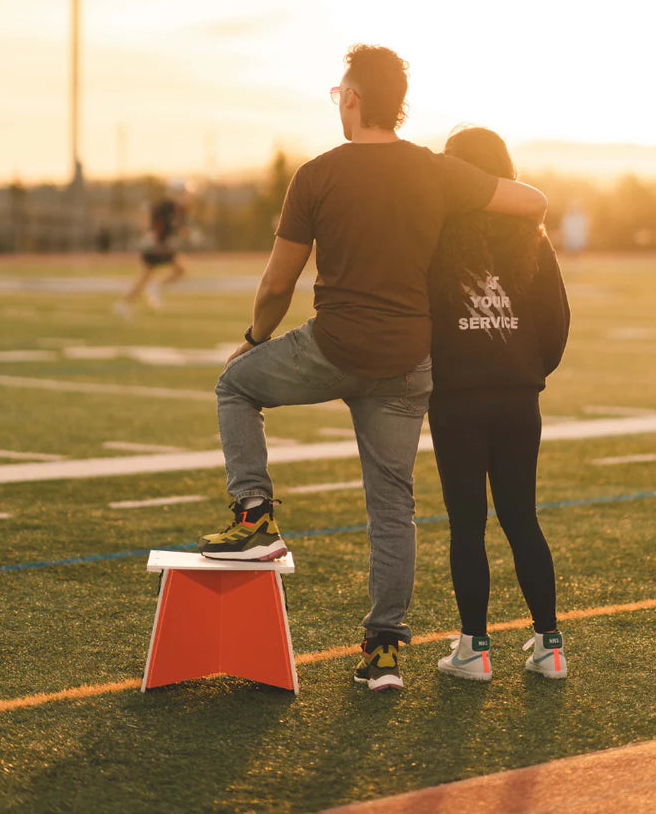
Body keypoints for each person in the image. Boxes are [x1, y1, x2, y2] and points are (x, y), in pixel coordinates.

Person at [198, 46, 547, 691]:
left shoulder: (318, 174)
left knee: (233, 386)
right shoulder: (435, 171)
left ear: (354, 99)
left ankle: (255, 515)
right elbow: (531, 202)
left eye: (338, 95)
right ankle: (384, 654)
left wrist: (254, 339)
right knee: (392, 509)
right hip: (409, 363)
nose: (337, 104)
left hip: (334, 348)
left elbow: (278, 284)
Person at [427, 126, 570, 682]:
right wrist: (528, 373)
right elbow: (556, 322)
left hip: (457, 396)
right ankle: (550, 645)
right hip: (517, 396)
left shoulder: (438, 231)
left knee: (467, 526)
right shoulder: (529, 231)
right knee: (521, 518)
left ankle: (474, 650)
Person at [114, 196, 187, 318]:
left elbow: (176, 228)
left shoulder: (181, 210)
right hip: (155, 246)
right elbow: (153, 221)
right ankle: (126, 303)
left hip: (162, 246)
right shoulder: (166, 206)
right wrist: (156, 239)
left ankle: (126, 303)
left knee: (176, 270)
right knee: (149, 276)